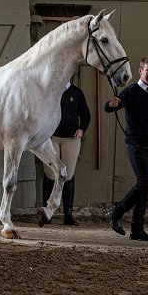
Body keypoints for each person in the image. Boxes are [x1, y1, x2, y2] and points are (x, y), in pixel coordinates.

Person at [103, 56, 148, 241]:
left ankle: (137, 229)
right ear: (140, 71)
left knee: (144, 188)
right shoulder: (131, 92)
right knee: (144, 183)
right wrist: (111, 104)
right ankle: (116, 214)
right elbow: (109, 108)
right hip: (135, 144)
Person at [43, 81, 91, 225]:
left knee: (68, 175)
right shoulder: (50, 90)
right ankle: (47, 213)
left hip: (71, 138)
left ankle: (68, 215)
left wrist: (82, 129)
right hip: (51, 138)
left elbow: (86, 115)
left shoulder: (77, 92)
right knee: (51, 174)